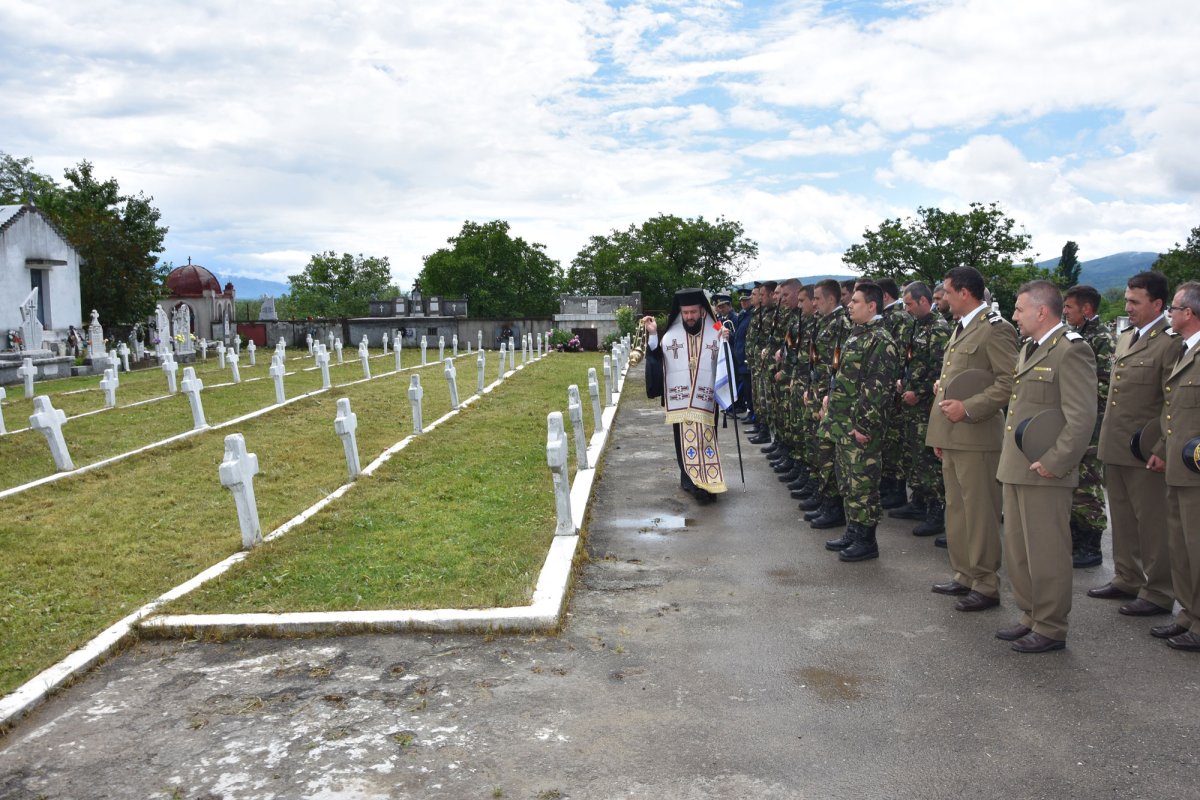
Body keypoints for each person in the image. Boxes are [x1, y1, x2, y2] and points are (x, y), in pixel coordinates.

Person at [995, 281, 1097, 652]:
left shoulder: (1072, 351)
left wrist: (1055, 463)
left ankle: (1051, 625)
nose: (1014, 316)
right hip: (1018, 468)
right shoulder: (1030, 348)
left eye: (1020, 309)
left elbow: (1082, 418)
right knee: (1020, 552)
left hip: (1046, 470)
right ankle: (1031, 615)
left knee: (1047, 551)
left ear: (1041, 311)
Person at [926, 266, 1018, 612]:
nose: (943, 299)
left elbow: (1009, 383)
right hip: (953, 435)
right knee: (958, 509)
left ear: (965, 293)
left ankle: (986, 583)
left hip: (978, 435)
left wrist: (967, 408)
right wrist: (941, 431)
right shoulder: (962, 327)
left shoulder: (996, 329)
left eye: (947, 293)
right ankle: (964, 573)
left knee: (980, 512)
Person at [1091, 271, 1177, 617]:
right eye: (1127, 300)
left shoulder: (1170, 342)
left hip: (1145, 449)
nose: (1128, 307)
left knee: (1152, 523)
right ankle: (1127, 576)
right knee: (1123, 518)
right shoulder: (1127, 336)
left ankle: (1157, 591)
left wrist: (1160, 449)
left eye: (1134, 302)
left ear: (1157, 304)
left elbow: (1172, 403)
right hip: (1116, 446)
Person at [820, 282, 898, 561]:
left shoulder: (880, 339)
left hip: (860, 428)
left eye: (855, 301)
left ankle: (867, 540)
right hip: (844, 425)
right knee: (848, 482)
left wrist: (864, 426)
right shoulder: (858, 335)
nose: (849, 305)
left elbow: (877, 390)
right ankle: (853, 530)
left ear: (872, 306)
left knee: (863, 484)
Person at [643, 289, 732, 503]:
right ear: (680, 313)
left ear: (702, 311)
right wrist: (653, 334)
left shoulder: (716, 330)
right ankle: (690, 480)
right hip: (680, 400)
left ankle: (709, 480)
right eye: (685, 313)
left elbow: (727, 358)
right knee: (683, 442)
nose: (689, 317)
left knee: (706, 440)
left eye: (693, 312)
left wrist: (727, 340)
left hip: (707, 399)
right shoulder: (671, 335)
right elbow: (656, 358)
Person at [1150, 281, 1200, 651]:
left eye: (1175, 307)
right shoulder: (1185, 351)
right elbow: (1174, 413)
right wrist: (1163, 447)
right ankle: (1189, 615)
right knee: (1181, 548)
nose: (1170, 313)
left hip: (1196, 470)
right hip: (1178, 468)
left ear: (1190, 314)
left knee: (1197, 548)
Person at [890, 281, 951, 536]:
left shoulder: (938, 328)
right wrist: (905, 380)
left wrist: (920, 391)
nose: (907, 308)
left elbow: (941, 371)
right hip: (911, 402)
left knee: (928, 459)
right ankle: (919, 500)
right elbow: (914, 360)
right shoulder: (917, 324)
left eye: (910, 304)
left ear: (924, 301)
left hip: (926, 406)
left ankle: (937, 510)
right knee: (914, 455)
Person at [1062, 284, 1115, 568]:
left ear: (1086, 308)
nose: (1065, 312)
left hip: (1092, 424)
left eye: (1069, 307)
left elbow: (1105, 385)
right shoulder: (1076, 335)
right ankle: (1076, 537)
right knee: (1074, 483)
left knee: (1089, 486)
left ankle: (1091, 544)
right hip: (1074, 420)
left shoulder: (1101, 338)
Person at [802, 279, 852, 529]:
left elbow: (840, 366)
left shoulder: (842, 324)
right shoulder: (824, 322)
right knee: (819, 450)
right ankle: (825, 500)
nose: (814, 303)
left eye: (818, 298)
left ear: (831, 300)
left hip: (830, 400)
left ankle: (833, 508)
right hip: (818, 393)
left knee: (828, 453)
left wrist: (829, 399)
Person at [877, 277, 916, 510]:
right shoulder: (889, 317)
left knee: (895, 442)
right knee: (889, 442)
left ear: (884, 296)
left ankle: (897, 489)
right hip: (888, 388)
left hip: (896, 388)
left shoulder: (899, 317)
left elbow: (899, 354)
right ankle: (889, 485)